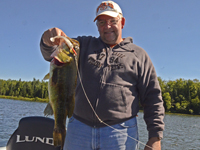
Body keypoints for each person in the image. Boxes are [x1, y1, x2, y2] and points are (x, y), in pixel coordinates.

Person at [40, 1, 165, 150]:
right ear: (97, 25)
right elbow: (52, 54)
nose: (107, 27)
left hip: (120, 132)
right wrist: (47, 40)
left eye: (113, 21)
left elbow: (153, 97)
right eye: (102, 22)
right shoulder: (81, 45)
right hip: (79, 127)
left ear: (122, 22)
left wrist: (155, 137)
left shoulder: (139, 55)